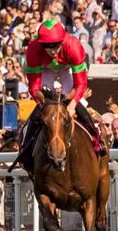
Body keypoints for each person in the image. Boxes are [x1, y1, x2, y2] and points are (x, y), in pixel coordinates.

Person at [17, 17, 106, 171]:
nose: (53, 50)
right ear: (41, 44)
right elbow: (34, 87)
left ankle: (96, 141)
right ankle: (25, 149)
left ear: (62, 40)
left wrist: (71, 105)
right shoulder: (33, 49)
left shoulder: (73, 46)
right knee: (41, 112)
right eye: (48, 46)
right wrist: (44, 104)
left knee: (75, 107)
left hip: (66, 70)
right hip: (45, 70)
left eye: (56, 45)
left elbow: (81, 85)